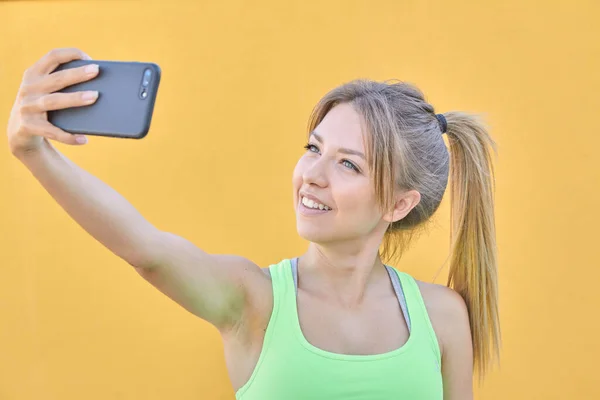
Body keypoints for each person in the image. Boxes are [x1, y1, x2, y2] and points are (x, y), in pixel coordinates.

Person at [7, 48, 500, 400]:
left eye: (348, 164)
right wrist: (32, 152)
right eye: (313, 149)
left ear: (398, 204)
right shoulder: (254, 300)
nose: (313, 175)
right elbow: (147, 251)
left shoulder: (442, 317)